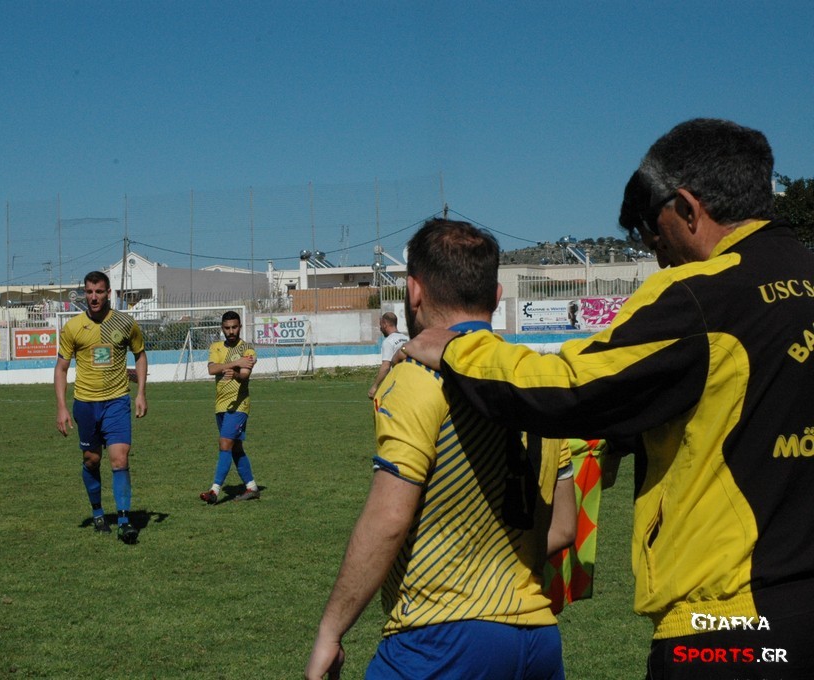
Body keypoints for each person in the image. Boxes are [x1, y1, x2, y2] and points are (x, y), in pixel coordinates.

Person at [402, 119, 814, 678]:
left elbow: (567, 388)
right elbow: (755, 409)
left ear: (687, 208)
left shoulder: (701, 295)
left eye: (656, 237)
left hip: (730, 627)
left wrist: (455, 349)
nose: (659, 258)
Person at [306, 219, 576, 680]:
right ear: (496, 296)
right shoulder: (535, 381)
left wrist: (331, 631)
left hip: (440, 640)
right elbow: (565, 528)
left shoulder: (417, 375)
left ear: (413, 291)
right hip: (538, 642)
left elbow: (390, 518)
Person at [54, 271, 148, 545]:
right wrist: (61, 407)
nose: (93, 297)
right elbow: (61, 369)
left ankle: (124, 521)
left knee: (120, 458)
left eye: (99, 292)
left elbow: (140, 355)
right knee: (91, 460)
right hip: (85, 404)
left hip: (117, 401)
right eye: (89, 292)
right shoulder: (73, 327)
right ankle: (98, 513)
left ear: (108, 293)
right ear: (84, 293)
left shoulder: (125, 322)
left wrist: (141, 393)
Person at [199, 310, 261, 504]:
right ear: (222, 328)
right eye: (227, 328)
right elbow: (211, 369)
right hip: (220, 405)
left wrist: (235, 373)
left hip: (239, 405)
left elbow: (244, 374)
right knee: (236, 448)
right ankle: (252, 487)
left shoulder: (247, 349)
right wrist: (235, 363)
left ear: (240, 327)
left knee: (225, 443)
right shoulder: (216, 347)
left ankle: (214, 491)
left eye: (234, 327)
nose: (231, 331)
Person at [367, 312, 408, 399]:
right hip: (410, 381)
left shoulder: (389, 341)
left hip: (398, 383)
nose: (380, 328)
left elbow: (386, 366)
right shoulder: (407, 339)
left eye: (381, 325)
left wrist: (375, 386)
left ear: (385, 324)